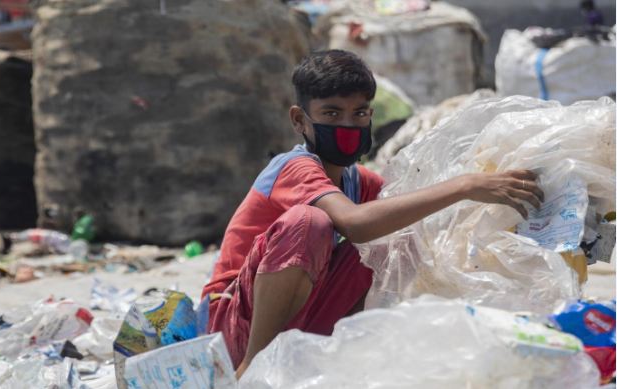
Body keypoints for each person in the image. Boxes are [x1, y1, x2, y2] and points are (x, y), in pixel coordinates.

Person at [201, 49, 544, 378]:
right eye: (332, 114)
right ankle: (251, 369)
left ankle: (340, 353)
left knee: (401, 234)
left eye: (359, 113)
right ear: (299, 120)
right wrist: (465, 184)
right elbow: (356, 224)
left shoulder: (358, 181)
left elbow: (414, 213)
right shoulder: (294, 167)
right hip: (232, 326)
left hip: (300, 321)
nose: (348, 125)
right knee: (309, 222)